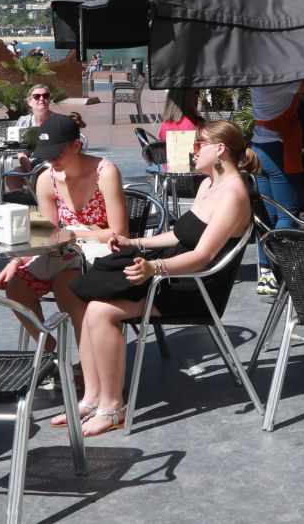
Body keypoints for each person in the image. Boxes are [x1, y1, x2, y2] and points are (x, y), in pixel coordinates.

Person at [67, 121, 258, 436]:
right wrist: (135, 244)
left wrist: (153, 269)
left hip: (195, 286)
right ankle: (93, 396)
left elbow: (203, 256)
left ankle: (113, 406)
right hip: (172, 273)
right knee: (87, 295)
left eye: (198, 143)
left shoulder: (234, 194)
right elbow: (179, 235)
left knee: (101, 310)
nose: (191, 149)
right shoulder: (208, 184)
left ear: (220, 149)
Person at [0, 115, 126, 367]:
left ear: (76, 145)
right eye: (46, 155)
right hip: (65, 249)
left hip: (102, 254)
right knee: (16, 286)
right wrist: (18, 259)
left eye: (57, 154)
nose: (51, 160)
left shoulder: (104, 173)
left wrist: (75, 233)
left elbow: (119, 234)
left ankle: (89, 369)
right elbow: (47, 230)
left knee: (68, 285)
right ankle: (52, 353)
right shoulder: (46, 178)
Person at [250, 78, 304, 295]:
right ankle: (286, 270)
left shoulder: (256, 79)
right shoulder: (278, 80)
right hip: (279, 150)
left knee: (268, 216)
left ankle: (267, 272)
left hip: (259, 147)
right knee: (287, 214)